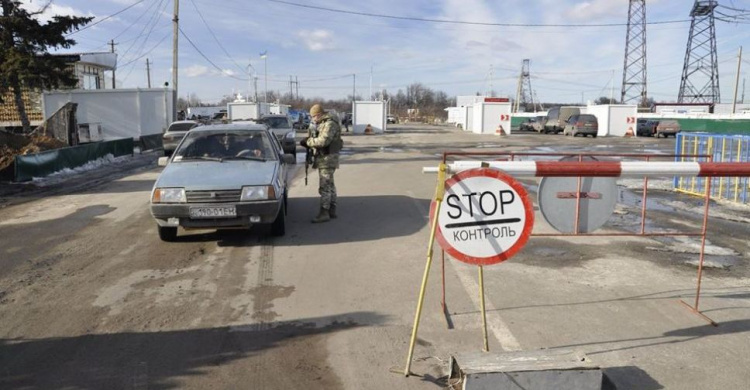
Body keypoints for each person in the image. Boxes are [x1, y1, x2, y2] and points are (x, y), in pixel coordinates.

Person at [300, 103, 343, 223]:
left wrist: (308, 142)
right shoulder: (323, 123)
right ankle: (332, 210)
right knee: (330, 185)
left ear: (318, 115)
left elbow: (323, 141)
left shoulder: (329, 124)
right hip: (326, 158)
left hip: (327, 158)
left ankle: (324, 212)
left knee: (325, 186)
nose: (313, 119)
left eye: (313, 116)